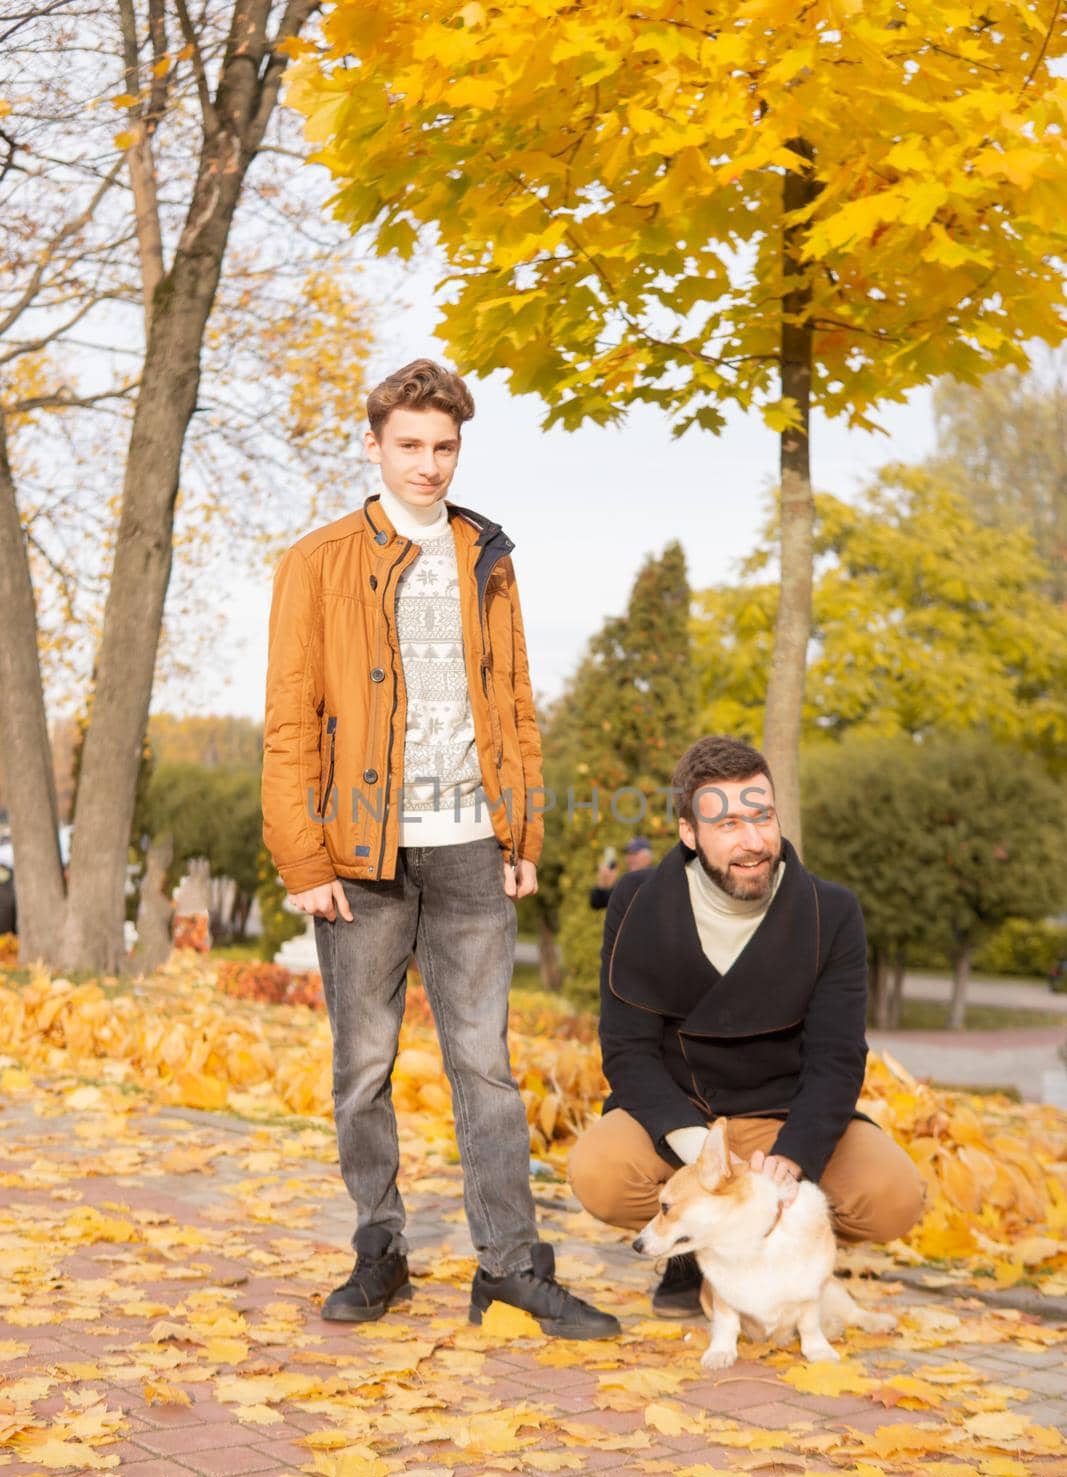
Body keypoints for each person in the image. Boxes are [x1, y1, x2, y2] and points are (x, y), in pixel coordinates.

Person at [262, 358, 618, 1339]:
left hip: (470, 848)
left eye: (444, 446)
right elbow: (291, 719)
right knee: (362, 1068)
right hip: (362, 858)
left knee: (485, 1070)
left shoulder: (485, 553)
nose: (427, 464)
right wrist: (305, 860)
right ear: (373, 445)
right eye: (409, 445)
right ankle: (378, 1246)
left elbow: (512, 703)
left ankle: (507, 1265)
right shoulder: (317, 561)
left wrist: (522, 831)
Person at [569, 734, 925, 1318]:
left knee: (892, 1198)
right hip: (684, 1116)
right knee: (600, 1173)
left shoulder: (831, 913)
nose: (754, 841)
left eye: (762, 817)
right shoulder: (636, 900)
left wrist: (795, 1156)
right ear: (690, 834)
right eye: (729, 823)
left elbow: (837, 1056)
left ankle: (774, 1262)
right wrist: (699, 1154)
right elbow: (627, 1050)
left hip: (786, 1114)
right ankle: (690, 1258)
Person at [589, 836, 655, 911]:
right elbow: (596, 903)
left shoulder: (656, 879)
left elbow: (631, 904)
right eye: (628, 854)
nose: (630, 858)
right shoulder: (627, 881)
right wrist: (603, 883)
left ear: (648, 856)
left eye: (635, 854)